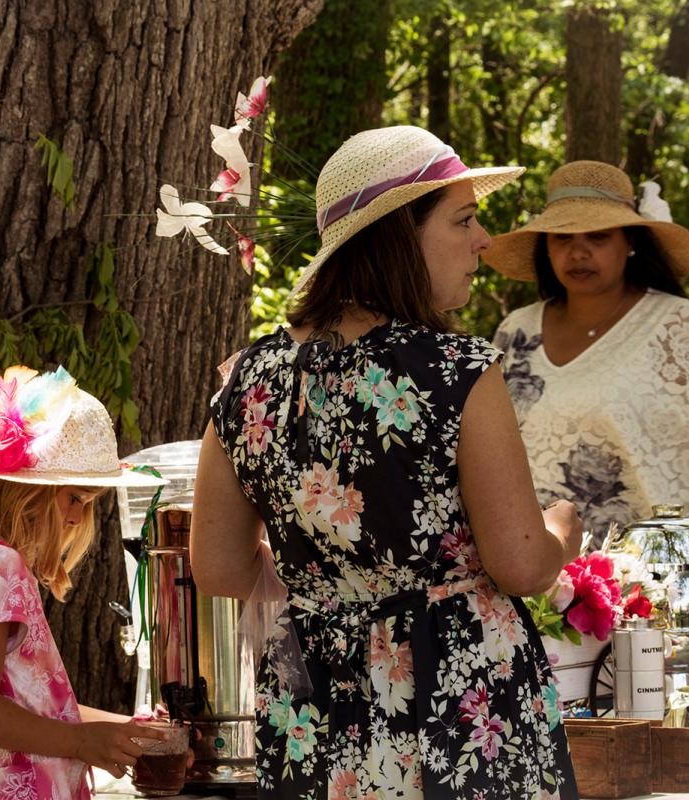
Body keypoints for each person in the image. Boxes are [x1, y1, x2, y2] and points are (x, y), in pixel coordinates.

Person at [190, 126, 583, 799]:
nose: (483, 239)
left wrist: (335, 582)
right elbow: (519, 564)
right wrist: (560, 530)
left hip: (317, 706)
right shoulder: (457, 374)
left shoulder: (247, 384)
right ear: (399, 237)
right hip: (453, 705)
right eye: (463, 220)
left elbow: (220, 568)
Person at [485, 161, 689, 551]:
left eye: (597, 236)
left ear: (630, 242)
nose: (578, 252)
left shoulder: (682, 326)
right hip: (533, 578)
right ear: (545, 248)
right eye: (562, 238)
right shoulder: (517, 330)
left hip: (647, 585)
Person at [0, 363, 172, 798]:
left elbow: (36, 711)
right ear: (26, 489)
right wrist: (80, 742)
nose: (77, 517)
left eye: (88, 503)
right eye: (72, 497)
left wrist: (132, 733)